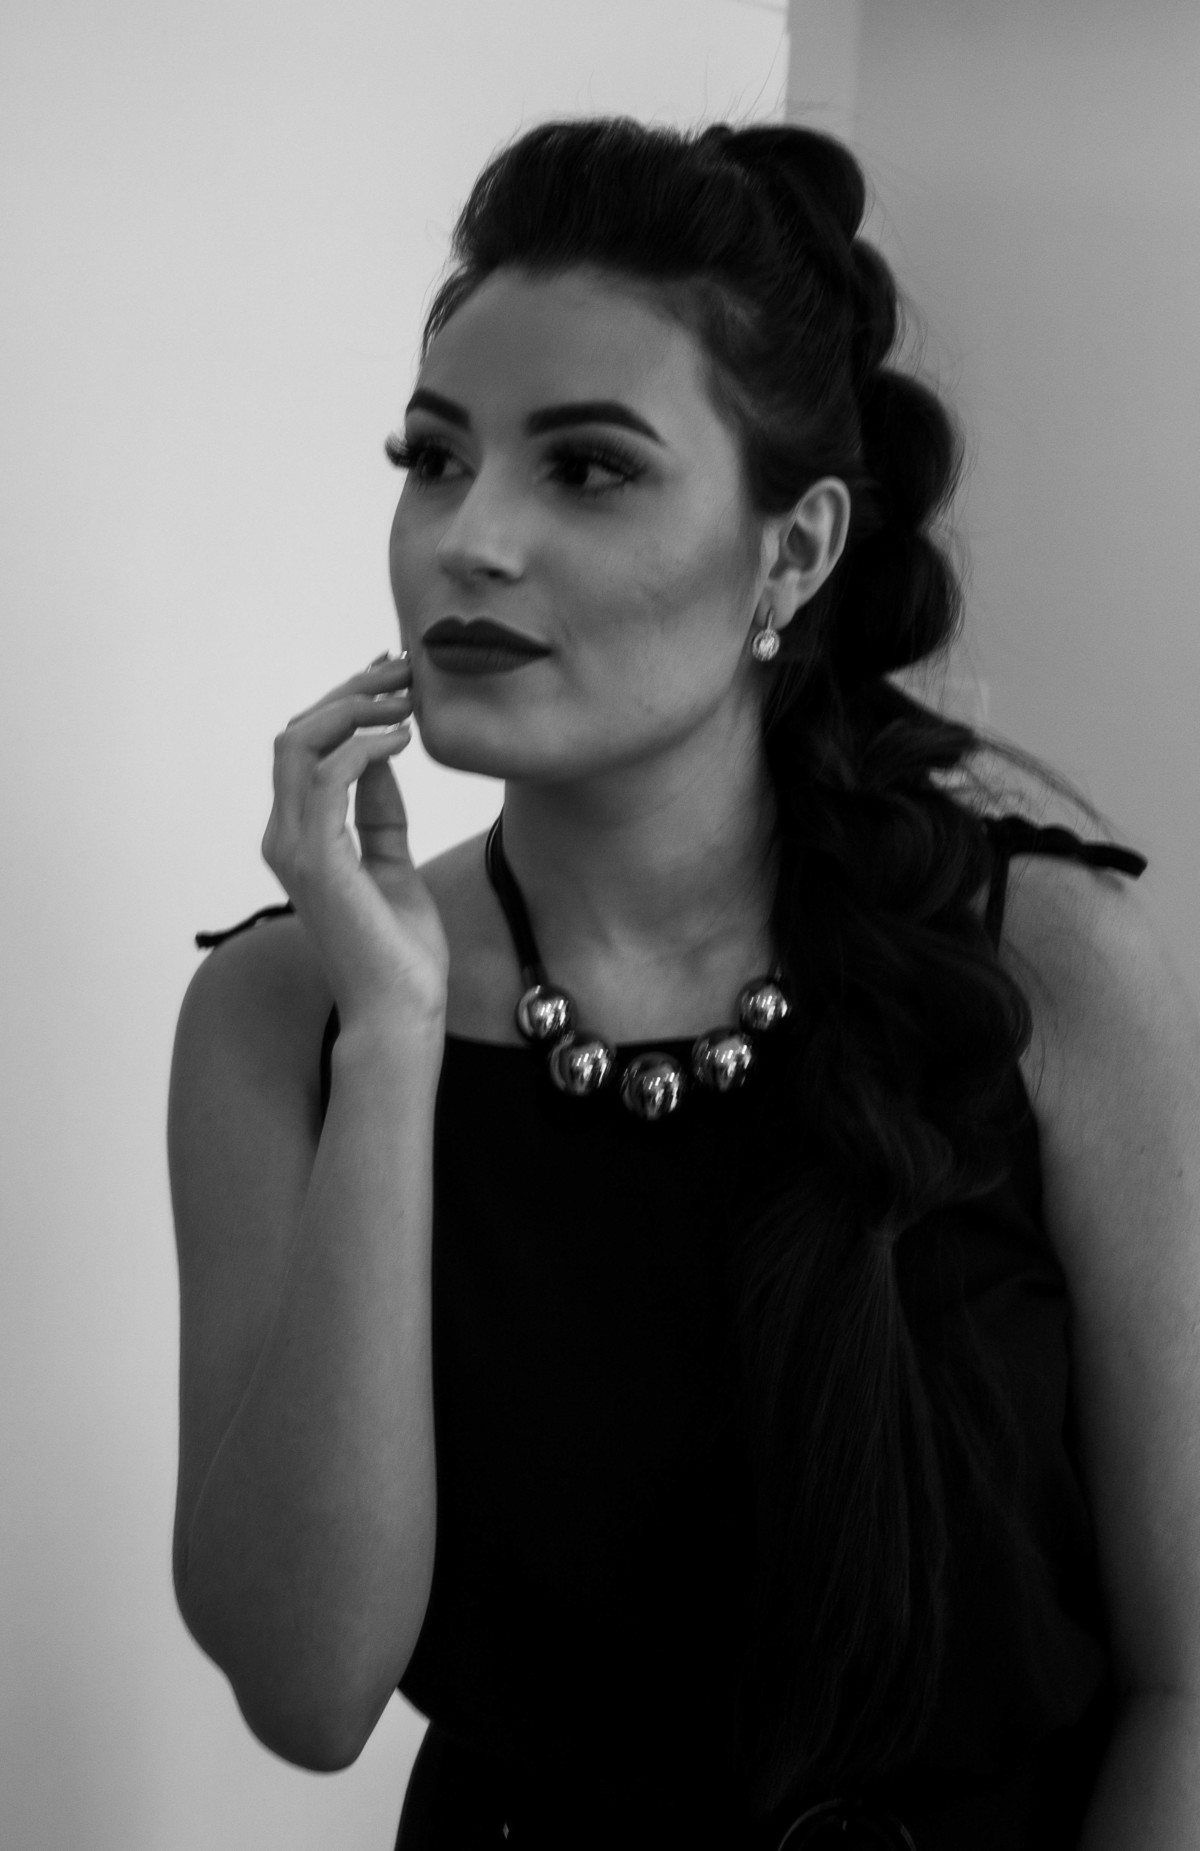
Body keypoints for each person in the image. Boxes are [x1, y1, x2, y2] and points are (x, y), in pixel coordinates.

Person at [166, 117, 1200, 1850]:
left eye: (586, 468)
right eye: (434, 458)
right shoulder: (289, 1015)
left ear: (793, 553)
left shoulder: (1050, 970)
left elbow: (1189, 1684)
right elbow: (309, 1693)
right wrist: (398, 1043)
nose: (466, 540)